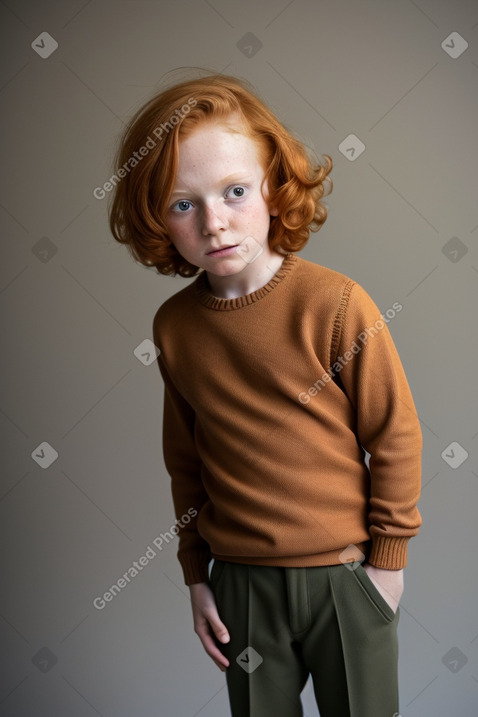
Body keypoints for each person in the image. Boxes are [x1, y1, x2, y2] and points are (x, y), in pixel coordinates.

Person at [109, 72, 423, 717]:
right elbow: (186, 461)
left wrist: (387, 566)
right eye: (182, 203)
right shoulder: (175, 326)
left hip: (345, 577)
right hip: (241, 586)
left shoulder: (335, 304)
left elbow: (395, 436)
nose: (215, 222)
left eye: (234, 191)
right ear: (157, 218)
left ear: (275, 188)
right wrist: (197, 575)